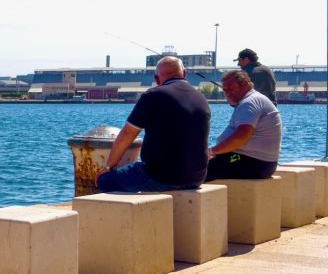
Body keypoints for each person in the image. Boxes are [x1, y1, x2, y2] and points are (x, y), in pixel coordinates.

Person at [96, 56, 210, 193]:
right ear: (185, 74)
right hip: (196, 178)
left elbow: (127, 135)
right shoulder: (201, 98)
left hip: (160, 176)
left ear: (157, 79)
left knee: (105, 180)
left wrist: (108, 167)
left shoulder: (153, 95)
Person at [206, 69, 281, 181]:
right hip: (255, 161)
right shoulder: (253, 99)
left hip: (251, 162)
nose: (228, 93)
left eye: (231, 89)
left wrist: (212, 151)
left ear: (245, 84)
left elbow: (241, 136)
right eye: (225, 90)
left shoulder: (250, 103)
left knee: (198, 170)